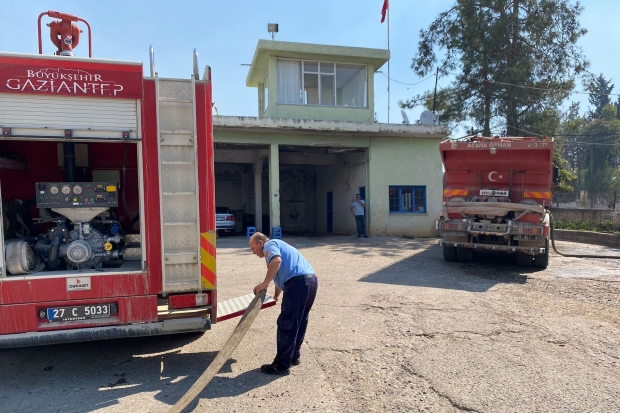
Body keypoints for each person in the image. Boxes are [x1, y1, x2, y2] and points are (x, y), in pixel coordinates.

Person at [249, 232, 318, 376]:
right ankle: (293, 356)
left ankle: (281, 364)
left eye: (253, 247)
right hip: (310, 281)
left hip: (298, 284)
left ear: (260, 243)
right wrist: (275, 295)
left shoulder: (269, 245)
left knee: (287, 323)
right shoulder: (278, 245)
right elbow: (281, 275)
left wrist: (264, 283)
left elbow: (276, 262)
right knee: (299, 320)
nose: (252, 252)